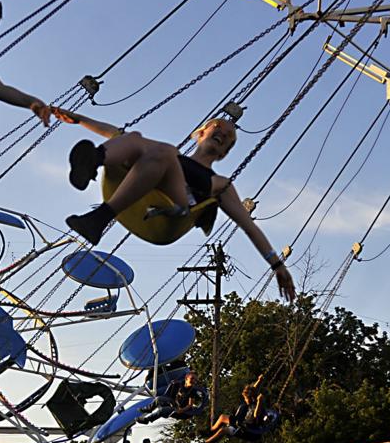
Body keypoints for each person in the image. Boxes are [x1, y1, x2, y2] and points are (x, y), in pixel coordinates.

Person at [55, 108, 295, 301]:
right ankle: (93, 166)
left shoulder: (220, 183)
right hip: (139, 196)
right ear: (200, 133)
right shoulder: (163, 156)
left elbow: (249, 226)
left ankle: (101, 215)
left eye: (229, 137)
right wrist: (78, 119)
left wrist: (276, 265)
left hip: (173, 215)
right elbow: (114, 133)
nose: (223, 133)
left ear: (224, 153)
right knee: (135, 139)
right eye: (218, 127)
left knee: (165, 151)